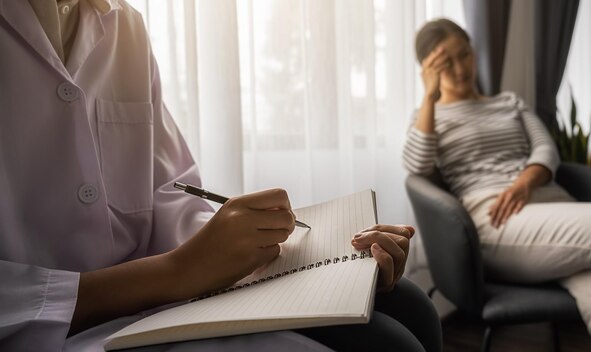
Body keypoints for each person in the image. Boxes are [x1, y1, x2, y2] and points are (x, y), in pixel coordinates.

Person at [0, 1, 443, 351]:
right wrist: (177, 271)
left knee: (412, 308)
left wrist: (257, 248)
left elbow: (172, 194)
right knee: (390, 343)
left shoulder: (126, 27)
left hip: (161, 304)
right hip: (61, 331)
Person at [402, 18, 591, 352]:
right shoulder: (429, 117)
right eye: (445, 63)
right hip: (498, 220)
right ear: (428, 70)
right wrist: (430, 98)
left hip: (556, 211)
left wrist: (524, 182)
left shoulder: (508, 102)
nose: (460, 68)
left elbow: (546, 150)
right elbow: (417, 166)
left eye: (464, 55)